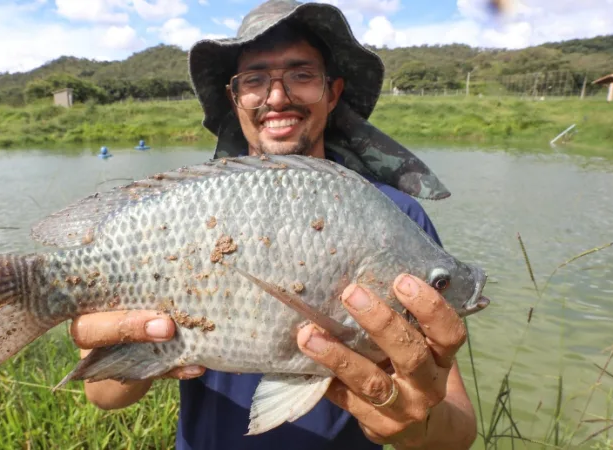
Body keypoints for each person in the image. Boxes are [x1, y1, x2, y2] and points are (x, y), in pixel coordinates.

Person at [69, 0, 478, 448]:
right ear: (234, 97)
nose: (277, 97)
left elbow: (456, 435)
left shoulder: (397, 216)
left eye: (301, 75)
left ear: (333, 91)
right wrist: (132, 342)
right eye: (255, 80)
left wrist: (417, 422)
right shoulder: (187, 208)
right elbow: (104, 395)